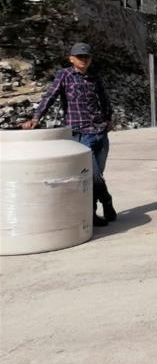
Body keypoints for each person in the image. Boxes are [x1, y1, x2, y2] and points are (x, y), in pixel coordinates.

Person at [21, 42, 115, 227]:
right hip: (79, 134)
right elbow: (50, 96)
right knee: (92, 175)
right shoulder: (64, 75)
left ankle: (96, 209)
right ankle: (103, 204)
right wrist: (36, 117)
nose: (84, 60)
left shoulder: (94, 76)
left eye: (86, 57)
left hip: (100, 132)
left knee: (98, 175)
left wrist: (109, 119)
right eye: (80, 57)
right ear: (71, 58)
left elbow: (104, 99)